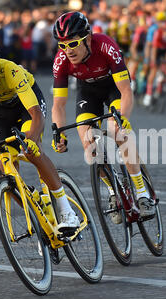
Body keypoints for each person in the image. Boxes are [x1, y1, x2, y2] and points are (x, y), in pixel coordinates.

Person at [0, 38, 80, 233]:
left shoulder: (11, 71)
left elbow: (36, 115)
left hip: (27, 106)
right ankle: (39, 217)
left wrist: (32, 139)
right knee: (4, 168)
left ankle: (66, 210)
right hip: (0, 113)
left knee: (31, 151)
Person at [51, 12, 156, 222]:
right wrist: (58, 133)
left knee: (116, 129)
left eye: (73, 43)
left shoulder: (106, 46)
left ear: (88, 38)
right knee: (88, 140)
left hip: (114, 88)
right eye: (62, 45)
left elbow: (126, 91)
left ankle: (142, 192)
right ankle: (112, 192)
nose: (68, 50)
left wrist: (123, 119)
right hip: (88, 92)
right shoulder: (61, 60)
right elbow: (58, 105)